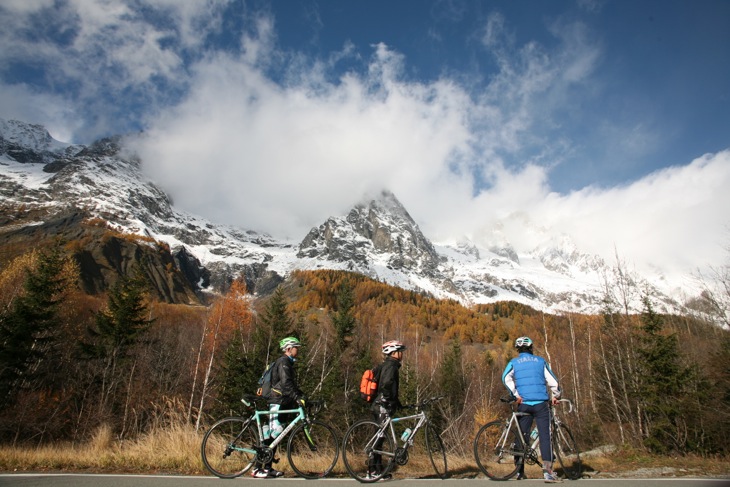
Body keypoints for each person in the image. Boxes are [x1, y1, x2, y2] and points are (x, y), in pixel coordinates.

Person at [502, 336, 562, 483]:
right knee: (545, 436)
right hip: (541, 403)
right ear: (531, 348)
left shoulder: (514, 362)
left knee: (521, 437)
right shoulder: (540, 361)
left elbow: (505, 378)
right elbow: (553, 381)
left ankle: (519, 472)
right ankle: (548, 472)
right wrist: (556, 395)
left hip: (525, 403)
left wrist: (515, 394)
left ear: (518, 349)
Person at [252, 336, 305, 479]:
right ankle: (258, 468)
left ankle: (267, 468)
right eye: (296, 348)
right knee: (274, 433)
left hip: (282, 401)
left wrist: (301, 395)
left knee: (274, 436)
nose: (297, 351)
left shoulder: (287, 362)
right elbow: (286, 384)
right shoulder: (284, 362)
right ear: (289, 348)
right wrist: (297, 397)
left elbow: (290, 386)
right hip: (277, 401)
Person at [367, 339, 406, 480]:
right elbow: (387, 385)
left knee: (381, 437)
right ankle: (372, 471)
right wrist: (389, 401)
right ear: (393, 353)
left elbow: (390, 388)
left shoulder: (388, 365)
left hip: (381, 405)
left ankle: (378, 471)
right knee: (379, 438)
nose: (402, 354)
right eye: (400, 351)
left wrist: (398, 403)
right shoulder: (391, 366)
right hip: (382, 406)